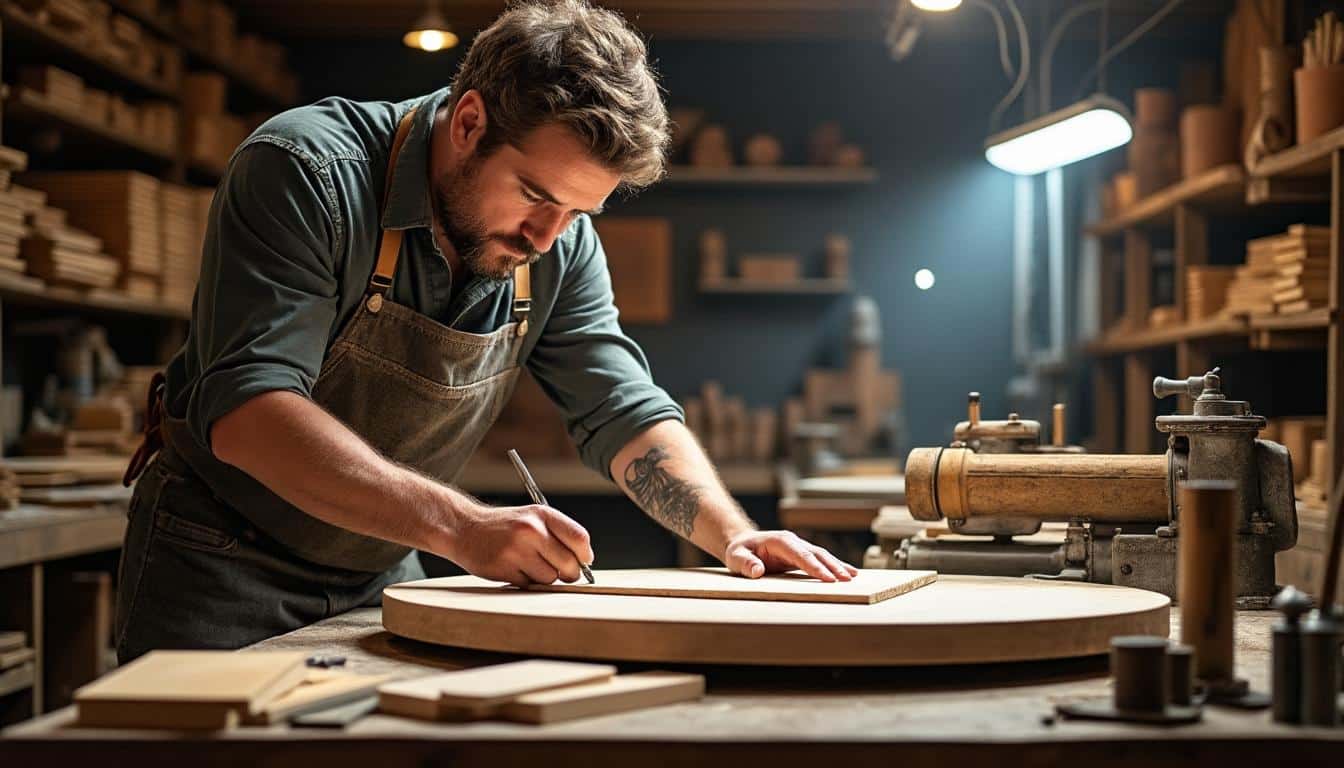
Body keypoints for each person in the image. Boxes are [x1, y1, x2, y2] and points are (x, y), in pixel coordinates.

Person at [115, 0, 857, 663]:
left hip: (380, 567)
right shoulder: (307, 172)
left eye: (578, 212)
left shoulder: (559, 242)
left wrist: (730, 536)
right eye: (535, 195)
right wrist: (465, 528)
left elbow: (620, 406)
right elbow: (250, 413)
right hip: (219, 557)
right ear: (468, 122)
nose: (548, 234)